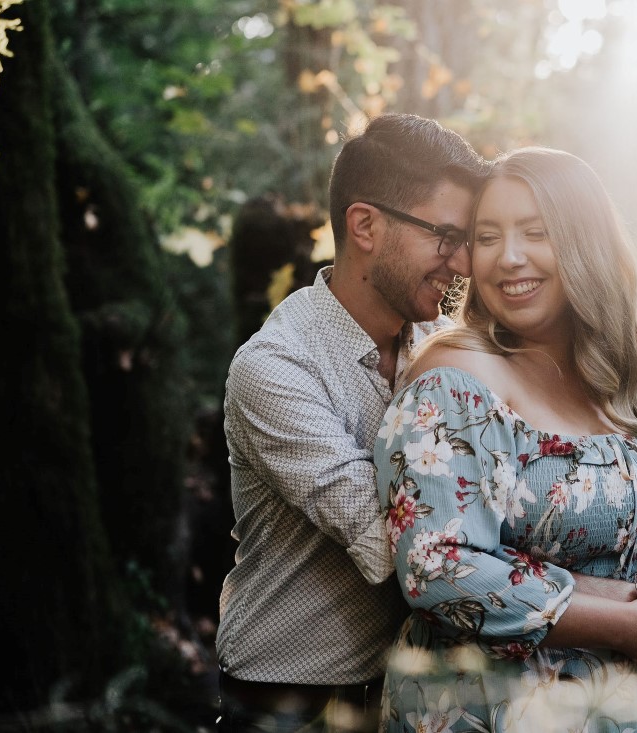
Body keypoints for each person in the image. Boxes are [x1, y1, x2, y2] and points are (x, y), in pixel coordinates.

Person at [374, 147, 637, 732]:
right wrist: (628, 622)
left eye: (535, 232)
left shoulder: (619, 385)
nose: (509, 258)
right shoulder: (459, 376)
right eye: (488, 237)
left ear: (585, 243)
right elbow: (437, 567)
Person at [216, 113, 490, 733]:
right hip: (291, 697)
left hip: (416, 691)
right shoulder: (275, 367)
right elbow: (398, 543)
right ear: (364, 225)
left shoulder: (446, 347)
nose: (464, 264)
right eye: (446, 236)